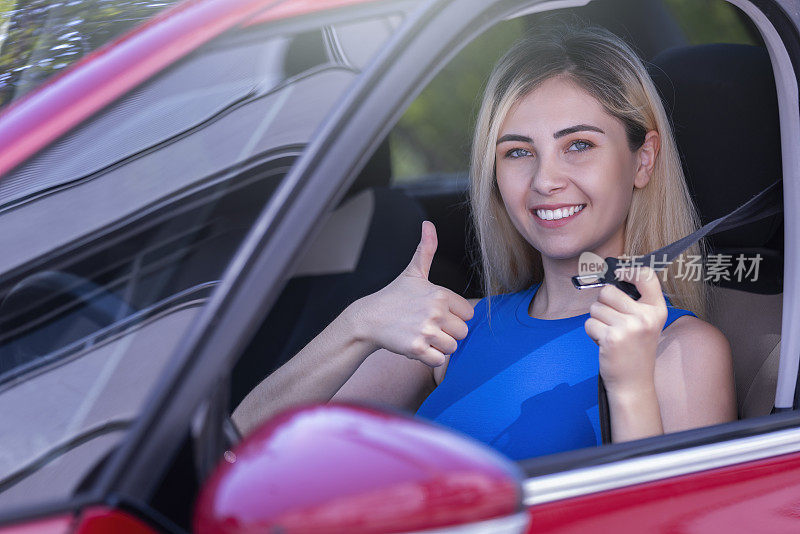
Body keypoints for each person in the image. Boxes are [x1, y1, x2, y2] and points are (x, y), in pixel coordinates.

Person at [232, 21, 737, 460]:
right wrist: (359, 324)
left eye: (578, 145)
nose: (545, 180)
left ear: (643, 160)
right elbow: (242, 445)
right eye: (518, 152)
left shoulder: (680, 349)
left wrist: (629, 389)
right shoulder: (456, 330)